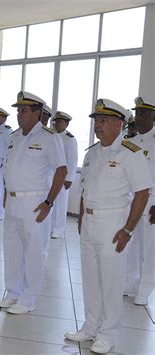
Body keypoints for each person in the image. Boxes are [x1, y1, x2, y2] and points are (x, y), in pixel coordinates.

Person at [64, 99, 151, 354]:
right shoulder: (92, 153)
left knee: (111, 281)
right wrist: (81, 217)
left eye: (103, 121)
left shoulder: (130, 153)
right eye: (96, 120)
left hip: (114, 222)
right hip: (89, 222)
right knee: (91, 278)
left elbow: (142, 193)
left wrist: (128, 229)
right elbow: (85, 190)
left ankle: (108, 333)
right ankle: (90, 327)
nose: (97, 125)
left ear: (119, 124)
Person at [0, 91, 67, 314]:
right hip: (14, 201)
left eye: (24, 111)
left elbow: (61, 170)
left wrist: (49, 202)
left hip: (35, 201)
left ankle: (29, 297)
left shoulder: (48, 137)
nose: (19, 114)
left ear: (37, 113)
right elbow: (9, 168)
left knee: (34, 251)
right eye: (18, 110)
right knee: (12, 248)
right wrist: (6, 191)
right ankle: (13, 292)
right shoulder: (15, 136)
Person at [124, 97, 155, 306]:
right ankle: (130, 283)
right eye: (137, 113)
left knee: (150, 248)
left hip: (152, 203)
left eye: (143, 113)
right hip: (131, 202)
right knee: (130, 245)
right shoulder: (130, 142)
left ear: (154, 116)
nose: (139, 117)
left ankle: (145, 289)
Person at [50, 111, 78, 239]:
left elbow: (72, 160)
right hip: (50, 175)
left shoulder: (69, 139)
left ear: (66, 124)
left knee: (61, 203)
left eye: (60, 121)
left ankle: (59, 228)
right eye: (55, 121)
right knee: (50, 201)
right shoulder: (51, 136)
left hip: (63, 177)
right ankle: (50, 226)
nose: (57, 124)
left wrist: (69, 178)